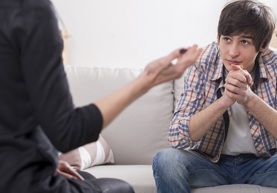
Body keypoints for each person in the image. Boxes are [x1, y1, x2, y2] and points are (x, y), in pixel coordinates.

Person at [0, 0, 202, 192]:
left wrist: (50, 161)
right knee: (120, 188)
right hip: (19, 182)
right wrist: (147, 79)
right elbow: (67, 133)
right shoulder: (31, 11)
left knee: (87, 179)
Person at [152, 0, 277, 193]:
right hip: (211, 165)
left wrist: (249, 98)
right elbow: (176, 137)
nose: (232, 52)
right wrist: (225, 100)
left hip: (263, 164)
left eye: (244, 41)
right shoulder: (202, 62)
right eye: (227, 39)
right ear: (218, 38)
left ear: (263, 45)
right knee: (166, 160)